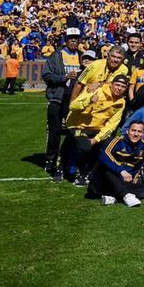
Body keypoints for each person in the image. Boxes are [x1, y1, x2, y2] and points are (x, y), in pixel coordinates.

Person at [61, 74, 129, 187]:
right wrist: (88, 100)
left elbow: (111, 126)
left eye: (123, 86)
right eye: (117, 85)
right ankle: (73, 166)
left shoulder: (121, 102)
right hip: (78, 125)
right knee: (84, 147)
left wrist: (96, 139)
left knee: (109, 146)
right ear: (111, 84)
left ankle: (91, 172)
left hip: (96, 129)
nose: (119, 88)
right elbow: (73, 106)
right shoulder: (95, 90)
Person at [87, 119, 144, 207]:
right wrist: (121, 171)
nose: (136, 134)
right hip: (101, 183)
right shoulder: (117, 141)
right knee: (105, 165)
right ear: (127, 131)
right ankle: (126, 195)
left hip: (121, 183)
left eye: (139, 131)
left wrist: (137, 180)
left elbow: (139, 166)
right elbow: (103, 155)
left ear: (143, 134)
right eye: (133, 130)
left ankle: (113, 198)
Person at [42, 27, 83, 179]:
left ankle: (67, 160)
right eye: (71, 38)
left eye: (76, 38)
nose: (73, 41)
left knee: (72, 132)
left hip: (74, 99)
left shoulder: (81, 56)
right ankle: (50, 160)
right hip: (58, 98)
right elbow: (46, 75)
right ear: (66, 40)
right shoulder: (56, 56)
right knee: (54, 132)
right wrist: (64, 77)